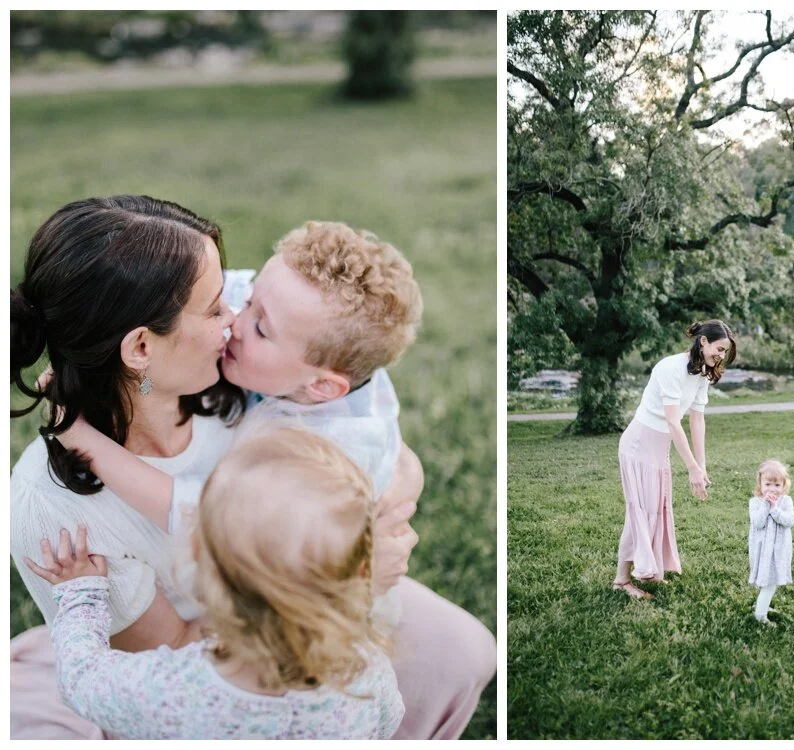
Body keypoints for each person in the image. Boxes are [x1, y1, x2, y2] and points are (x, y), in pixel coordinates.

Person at [10, 196, 494, 739]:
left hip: (318, 581)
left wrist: (387, 496)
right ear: (141, 346)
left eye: (234, 299)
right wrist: (343, 589)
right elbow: (179, 658)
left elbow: (377, 438)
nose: (235, 318)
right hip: (220, 660)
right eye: (217, 306)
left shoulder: (247, 376)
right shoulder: (49, 509)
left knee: (464, 652)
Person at [52, 220, 422, 631]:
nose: (235, 322)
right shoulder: (292, 317)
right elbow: (192, 291)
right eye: (248, 300)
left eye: (261, 329)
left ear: (321, 387)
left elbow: (198, 516)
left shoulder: (321, 456)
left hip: (301, 621)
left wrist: (82, 439)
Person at [25, 427, 403, 739]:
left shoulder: (177, 691)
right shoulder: (365, 669)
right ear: (362, 573)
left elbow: (82, 680)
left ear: (205, 570)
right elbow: (387, 722)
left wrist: (81, 594)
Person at [612, 320, 736, 600]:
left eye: (725, 352)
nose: (721, 356)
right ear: (703, 341)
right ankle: (621, 581)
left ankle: (650, 570)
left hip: (659, 449)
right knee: (640, 511)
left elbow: (697, 419)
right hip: (639, 445)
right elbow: (672, 421)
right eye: (719, 349)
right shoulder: (671, 367)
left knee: (656, 510)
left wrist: (701, 466)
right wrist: (690, 467)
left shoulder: (702, 374)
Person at [747, 459, 794, 626]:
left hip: (779, 550)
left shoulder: (786, 501)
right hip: (762, 550)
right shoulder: (755, 502)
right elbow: (758, 522)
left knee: (771, 580)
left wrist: (775, 509)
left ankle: (762, 606)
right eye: (767, 484)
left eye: (777, 485)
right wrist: (766, 506)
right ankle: (760, 616)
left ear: (784, 485)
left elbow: (789, 521)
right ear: (760, 484)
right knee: (768, 583)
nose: (772, 489)